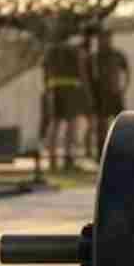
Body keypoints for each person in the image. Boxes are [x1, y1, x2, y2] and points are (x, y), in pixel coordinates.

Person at [42, 20, 91, 170]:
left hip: (53, 88)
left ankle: (52, 159)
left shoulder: (50, 51)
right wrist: (87, 92)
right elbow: (82, 71)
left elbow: (45, 71)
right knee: (71, 123)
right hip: (70, 89)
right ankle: (68, 158)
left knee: (55, 123)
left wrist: (47, 89)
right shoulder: (74, 50)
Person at [88, 29, 129, 156]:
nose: (104, 41)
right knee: (101, 126)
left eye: (106, 38)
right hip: (100, 94)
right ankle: (101, 153)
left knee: (121, 123)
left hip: (115, 94)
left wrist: (123, 88)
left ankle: (122, 150)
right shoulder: (94, 57)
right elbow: (90, 78)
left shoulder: (117, 55)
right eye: (101, 38)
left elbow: (127, 71)